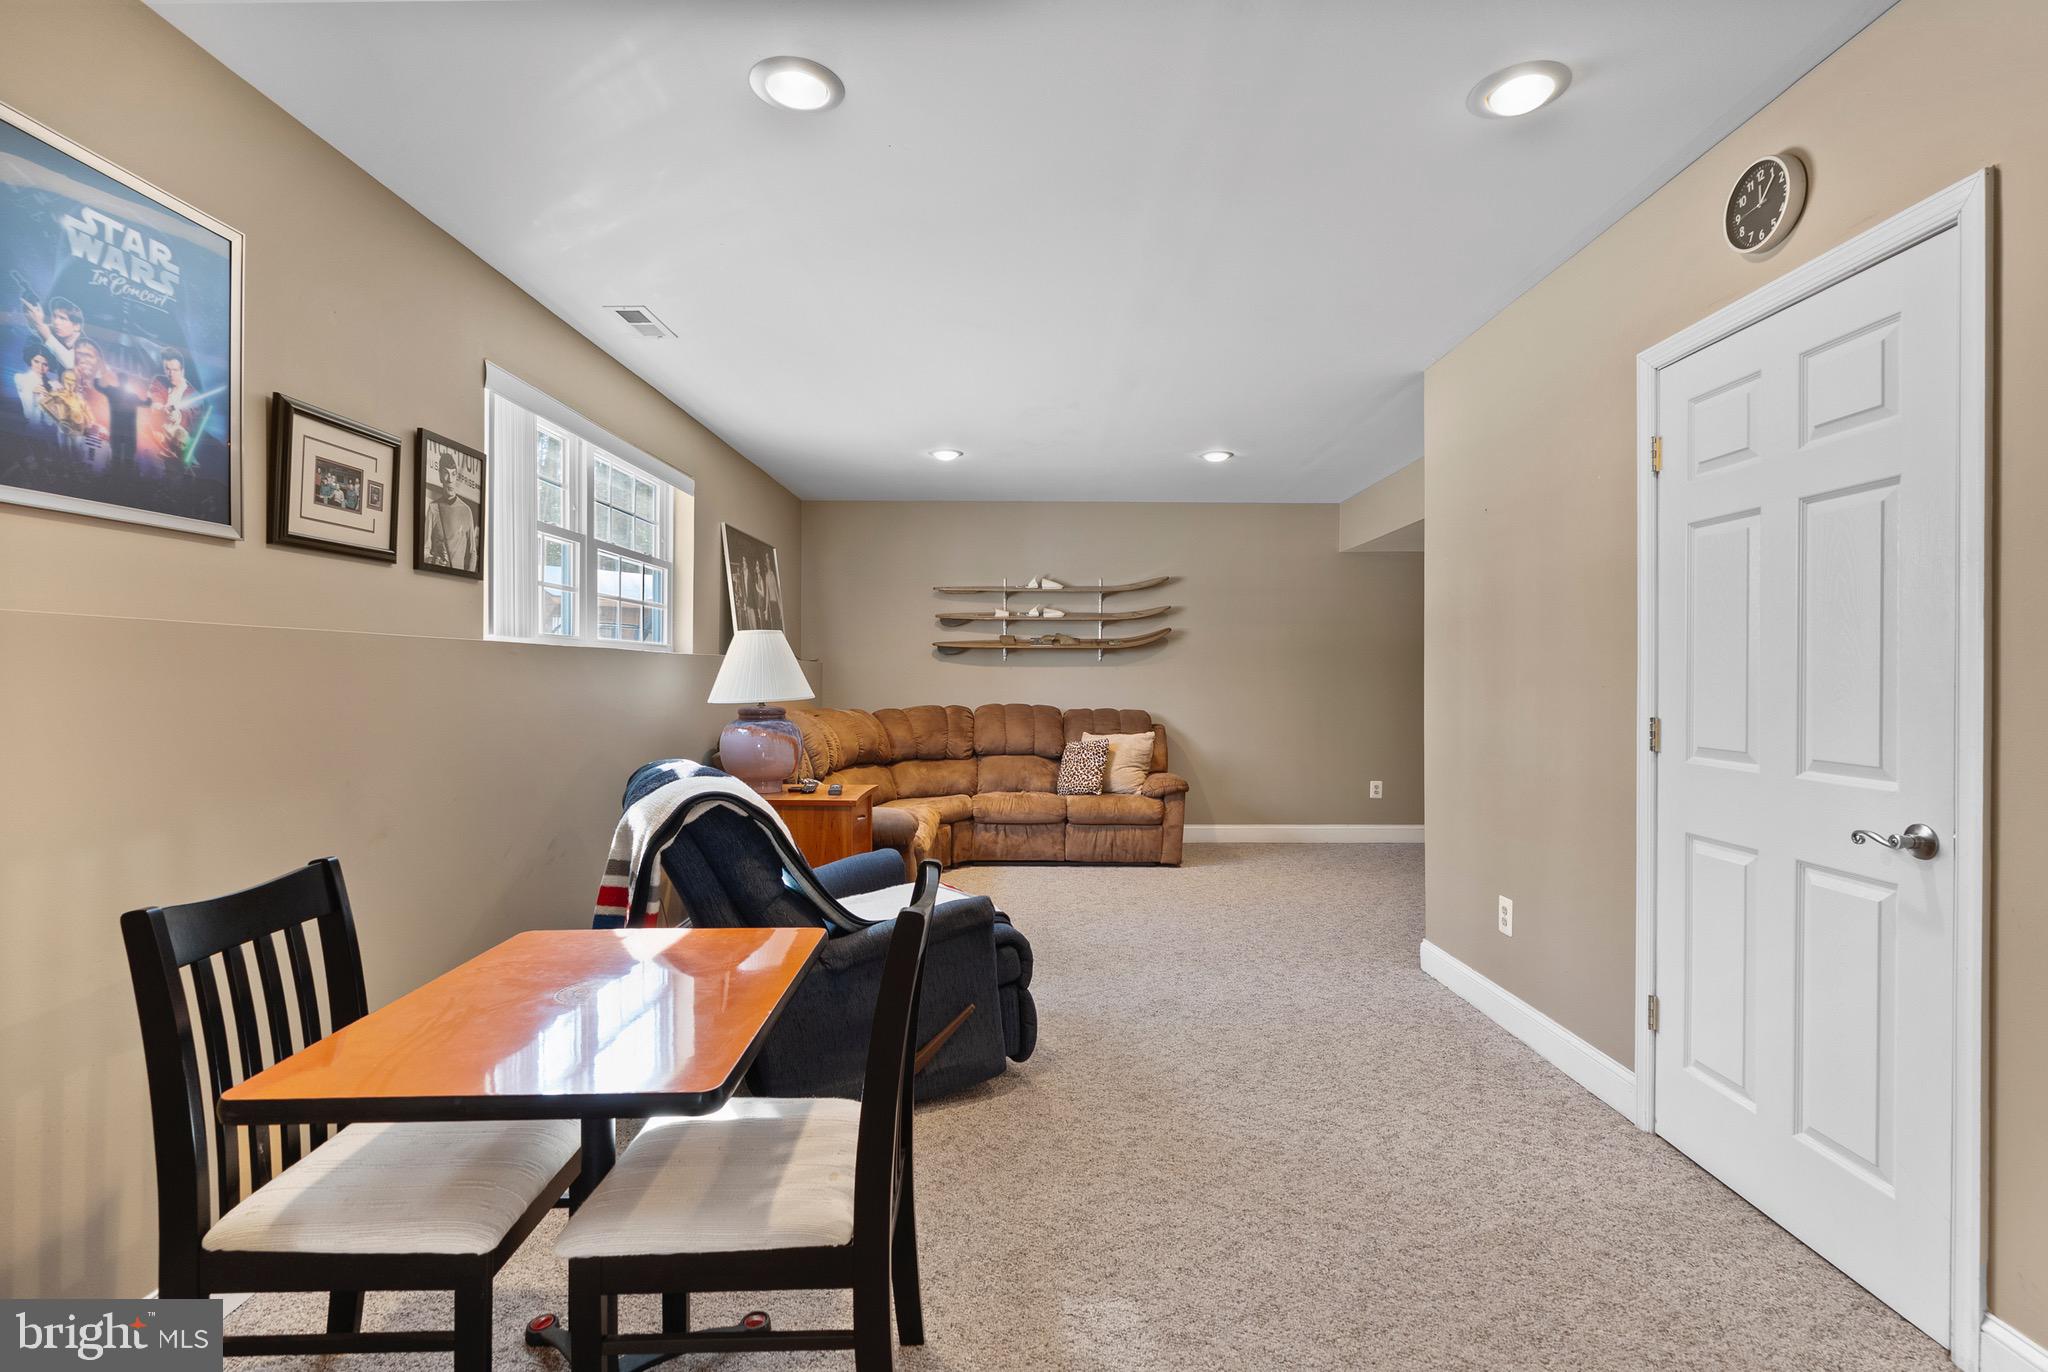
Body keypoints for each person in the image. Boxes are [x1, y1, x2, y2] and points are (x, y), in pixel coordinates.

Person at [423, 451, 478, 571]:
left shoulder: (466, 510)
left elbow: (472, 553)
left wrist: (468, 576)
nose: (450, 479)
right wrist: (433, 560)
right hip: (437, 575)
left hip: (459, 579)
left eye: (453, 474)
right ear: (440, 476)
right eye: (446, 473)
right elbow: (425, 549)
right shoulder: (433, 508)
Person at [22, 296, 84, 370]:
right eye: (54, 316)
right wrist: (32, 317)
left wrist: (39, 325)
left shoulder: (86, 346)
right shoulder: (56, 330)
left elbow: (71, 364)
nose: (56, 322)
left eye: (62, 318)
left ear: (76, 326)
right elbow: (35, 329)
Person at [13, 343, 55, 425]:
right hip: (29, 427)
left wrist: (50, 400)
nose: (40, 367)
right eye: (36, 362)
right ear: (30, 360)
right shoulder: (21, 378)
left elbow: (51, 421)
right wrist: (31, 392)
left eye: (45, 364)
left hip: (48, 430)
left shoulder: (53, 384)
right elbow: (28, 413)